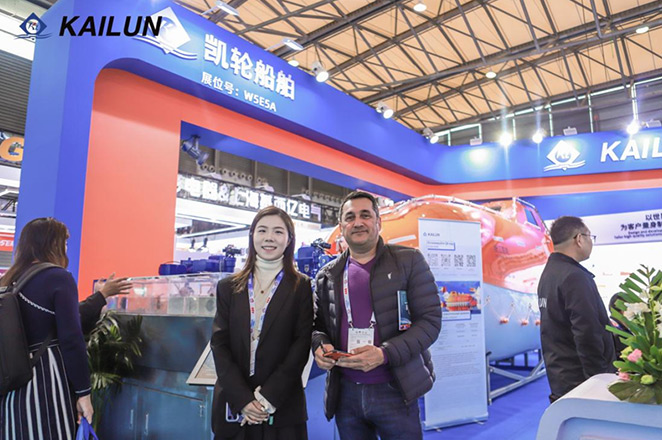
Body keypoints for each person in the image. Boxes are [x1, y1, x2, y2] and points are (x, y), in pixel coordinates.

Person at [312, 191, 441, 440]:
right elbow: (319, 327)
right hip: (345, 393)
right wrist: (319, 345)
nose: (358, 222)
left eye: (365, 215)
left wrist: (384, 354)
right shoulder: (327, 275)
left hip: (395, 389)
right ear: (341, 226)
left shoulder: (409, 262)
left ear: (378, 222)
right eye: (350, 217)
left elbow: (430, 322)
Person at [211, 206, 313, 440]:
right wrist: (243, 399)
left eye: (278, 231)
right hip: (235, 406)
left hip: (282, 405)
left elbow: (301, 345)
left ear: (289, 239)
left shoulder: (301, 287)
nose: (269, 237)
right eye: (262, 230)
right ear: (252, 235)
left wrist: (268, 397)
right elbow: (219, 344)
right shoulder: (228, 287)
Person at [0, 217, 93, 439]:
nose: (66, 248)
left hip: (12, 383)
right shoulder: (58, 277)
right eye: (65, 243)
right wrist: (83, 392)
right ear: (53, 244)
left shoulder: (10, 279)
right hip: (46, 380)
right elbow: (71, 339)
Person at [537, 216, 616, 403]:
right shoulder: (574, 277)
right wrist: (598, 379)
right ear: (579, 239)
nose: (591, 242)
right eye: (590, 237)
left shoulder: (549, 273)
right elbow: (586, 332)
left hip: (562, 375)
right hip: (582, 380)